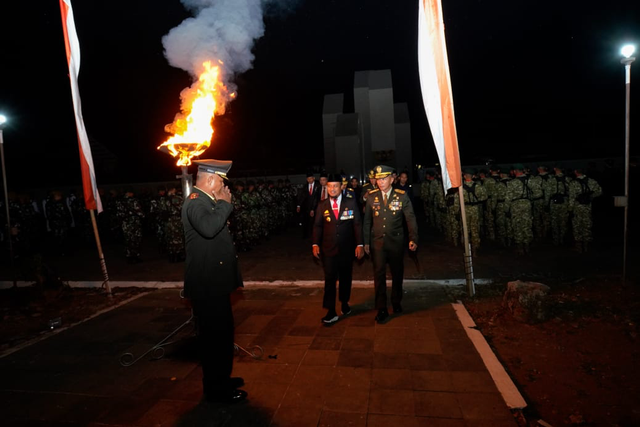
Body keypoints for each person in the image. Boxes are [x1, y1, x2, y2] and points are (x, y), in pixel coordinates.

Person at [182, 159, 247, 404]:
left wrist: (220, 203)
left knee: (222, 335)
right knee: (214, 340)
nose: (224, 188)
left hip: (215, 284)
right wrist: (224, 204)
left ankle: (222, 378)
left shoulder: (206, 200)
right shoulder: (196, 203)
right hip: (207, 287)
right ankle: (216, 390)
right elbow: (209, 228)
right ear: (210, 180)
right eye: (221, 182)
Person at [363, 165, 418, 323]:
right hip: (378, 243)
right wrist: (365, 242)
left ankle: (396, 301)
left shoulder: (402, 196)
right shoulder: (372, 197)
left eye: (384, 178)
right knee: (379, 275)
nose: (380, 182)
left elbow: (410, 219)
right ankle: (381, 308)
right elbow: (367, 222)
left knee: (397, 273)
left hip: (396, 243)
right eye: (378, 179)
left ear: (392, 179)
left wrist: (413, 238)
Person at [312, 174, 364, 324]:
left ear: (341, 187)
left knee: (345, 278)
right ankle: (330, 311)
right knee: (329, 280)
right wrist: (315, 244)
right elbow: (317, 226)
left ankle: (344, 302)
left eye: (335, 186)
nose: (332, 189)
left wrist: (360, 244)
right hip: (328, 249)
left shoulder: (351, 202)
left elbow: (357, 225)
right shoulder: (322, 205)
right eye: (329, 186)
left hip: (347, 249)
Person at [568, 168, 602, 253]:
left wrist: (570, 209)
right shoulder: (591, 181)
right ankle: (587, 245)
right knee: (587, 224)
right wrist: (590, 196)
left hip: (577, 207)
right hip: (587, 206)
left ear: (576, 172)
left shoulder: (573, 183)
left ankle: (579, 246)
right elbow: (599, 191)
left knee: (577, 225)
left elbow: (571, 197)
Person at [297, 172, 320, 238]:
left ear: (314, 178)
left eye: (311, 178)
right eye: (308, 179)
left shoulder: (318, 186)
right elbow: (302, 197)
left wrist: (313, 208)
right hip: (307, 207)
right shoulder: (305, 186)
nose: (309, 180)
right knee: (306, 221)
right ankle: (305, 235)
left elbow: (317, 198)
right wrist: (299, 205)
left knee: (315, 222)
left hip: (316, 207)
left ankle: (315, 235)